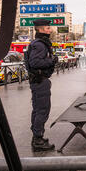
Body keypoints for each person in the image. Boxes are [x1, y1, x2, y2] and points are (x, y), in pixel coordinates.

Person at [25, 19, 58, 152]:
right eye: (47, 28)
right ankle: (38, 140)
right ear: (41, 29)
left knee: (37, 109)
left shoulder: (38, 43)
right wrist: (52, 61)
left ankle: (37, 136)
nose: (50, 30)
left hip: (38, 81)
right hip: (40, 81)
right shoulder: (40, 45)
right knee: (42, 110)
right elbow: (35, 62)